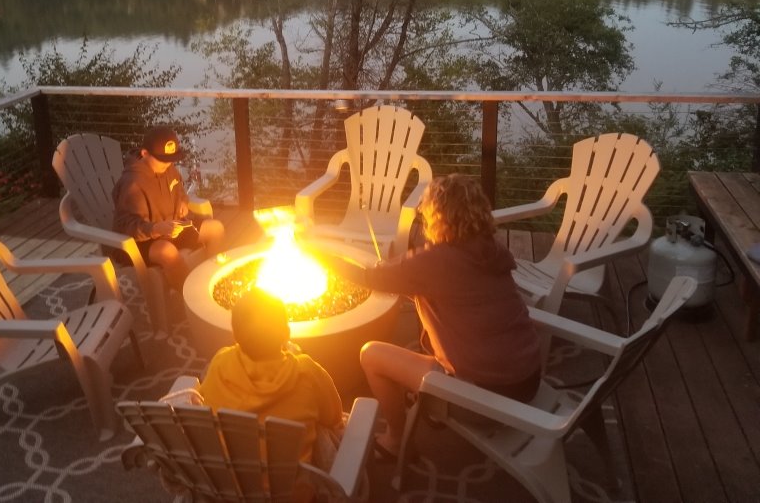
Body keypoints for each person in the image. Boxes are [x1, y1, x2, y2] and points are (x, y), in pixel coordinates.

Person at [308, 173, 542, 459]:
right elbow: (458, 295)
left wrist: (319, 256)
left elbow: (368, 276)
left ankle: (395, 441)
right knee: (428, 335)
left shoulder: (434, 262)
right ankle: (425, 394)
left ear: (437, 217)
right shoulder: (491, 250)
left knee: (371, 354)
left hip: (485, 399)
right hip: (528, 380)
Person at [198, 288, 344, 465]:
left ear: (235, 336)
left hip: (229, 485)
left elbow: (203, 400)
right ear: (287, 333)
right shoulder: (306, 372)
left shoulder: (220, 364)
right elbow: (333, 418)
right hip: (294, 490)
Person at [111, 125, 224, 289]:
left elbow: (179, 190)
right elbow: (125, 226)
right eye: (162, 160)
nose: (168, 164)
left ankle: (214, 280)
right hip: (142, 241)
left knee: (216, 228)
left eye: (171, 159)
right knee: (166, 251)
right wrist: (156, 228)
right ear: (145, 154)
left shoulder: (168, 168)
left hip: (172, 228)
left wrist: (183, 202)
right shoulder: (132, 183)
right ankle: (190, 295)